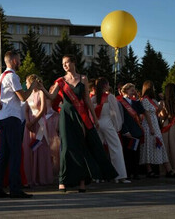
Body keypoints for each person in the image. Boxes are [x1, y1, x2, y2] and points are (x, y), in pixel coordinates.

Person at [39, 54, 118, 192]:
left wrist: (94, 118)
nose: (64, 65)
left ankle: (82, 182)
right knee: (66, 148)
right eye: (62, 63)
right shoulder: (60, 81)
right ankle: (63, 180)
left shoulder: (83, 78)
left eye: (67, 62)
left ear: (73, 62)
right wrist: (42, 88)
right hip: (65, 115)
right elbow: (52, 97)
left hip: (80, 116)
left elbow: (87, 100)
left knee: (81, 147)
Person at [0, 50, 37, 198]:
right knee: (15, 154)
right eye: (19, 59)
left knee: (3, 155)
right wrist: (32, 87)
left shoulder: (2, 76)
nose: (21, 61)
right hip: (12, 117)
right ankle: (15, 189)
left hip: (3, 118)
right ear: (14, 60)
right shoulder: (13, 76)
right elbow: (23, 97)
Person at [91, 77, 130, 183]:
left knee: (97, 149)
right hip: (108, 124)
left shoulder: (93, 98)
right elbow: (115, 114)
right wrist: (117, 127)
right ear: (105, 85)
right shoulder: (111, 97)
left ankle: (97, 176)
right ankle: (120, 176)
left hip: (97, 124)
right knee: (116, 148)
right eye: (108, 84)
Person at [139, 81, 175, 178]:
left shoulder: (153, 100)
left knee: (160, 145)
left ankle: (168, 169)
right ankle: (149, 170)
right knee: (148, 145)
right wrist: (151, 127)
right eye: (153, 87)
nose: (155, 89)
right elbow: (147, 114)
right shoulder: (145, 100)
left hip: (155, 124)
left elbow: (158, 111)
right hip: (149, 125)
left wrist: (162, 100)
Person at [118, 83, 154, 179]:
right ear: (125, 91)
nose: (133, 91)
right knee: (128, 153)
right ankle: (128, 173)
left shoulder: (135, 102)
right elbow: (120, 118)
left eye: (134, 89)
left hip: (135, 131)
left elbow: (142, 111)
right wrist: (125, 131)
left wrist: (137, 98)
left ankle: (136, 172)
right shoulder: (121, 102)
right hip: (127, 131)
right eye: (131, 90)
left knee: (136, 153)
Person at [22, 74, 53, 186]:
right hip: (29, 125)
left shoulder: (41, 93)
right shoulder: (28, 94)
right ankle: (30, 176)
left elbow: (43, 110)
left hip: (39, 124)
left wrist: (33, 122)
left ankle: (41, 176)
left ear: (32, 82)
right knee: (30, 149)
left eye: (26, 82)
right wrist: (28, 122)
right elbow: (26, 110)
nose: (26, 84)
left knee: (40, 149)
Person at [160, 83, 175, 176]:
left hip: (168, 125)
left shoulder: (164, 102)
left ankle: (169, 168)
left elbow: (162, 116)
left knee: (169, 147)